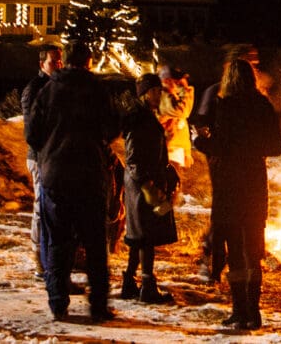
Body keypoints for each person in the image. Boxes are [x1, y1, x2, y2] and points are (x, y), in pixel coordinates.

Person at [25, 39, 121, 323]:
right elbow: (113, 127)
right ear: (89, 62)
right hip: (89, 176)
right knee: (94, 243)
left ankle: (57, 302)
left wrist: (49, 150)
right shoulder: (98, 91)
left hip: (55, 176)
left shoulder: (48, 91)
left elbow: (32, 134)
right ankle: (98, 305)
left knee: (57, 240)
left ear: (64, 61)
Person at [193, 57, 281, 330]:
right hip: (255, 186)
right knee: (253, 251)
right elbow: (276, 147)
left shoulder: (227, 106)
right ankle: (252, 312)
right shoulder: (263, 106)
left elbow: (219, 146)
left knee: (235, 252)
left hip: (230, 186)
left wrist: (201, 141)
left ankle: (239, 309)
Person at [119, 73, 179, 304]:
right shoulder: (138, 119)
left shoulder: (145, 116)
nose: (159, 94)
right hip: (142, 187)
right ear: (145, 93)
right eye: (155, 90)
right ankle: (147, 287)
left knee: (138, 237)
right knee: (145, 238)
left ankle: (129, 283)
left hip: (144, 184)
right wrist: (148, 186)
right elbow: (134, 158)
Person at [20, 43, 63, 279]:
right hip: (40, 158)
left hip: (54, 157)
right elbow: (32, 131)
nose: (58, 65)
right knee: (41, 208)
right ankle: (38, 258)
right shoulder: (35, 89)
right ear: (41, 64)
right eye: (53, 61)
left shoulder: (57, 87)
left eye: (60, 61)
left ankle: (51, 258)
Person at [157, 64, 195, 170]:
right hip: (169, 153)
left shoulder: (171, 97)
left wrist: (186, 151)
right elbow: (183, 111)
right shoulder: (163, 97)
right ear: (167, 80)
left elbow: (181, 126)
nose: (181, 83)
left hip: (176, 152)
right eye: (178, 81)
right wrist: (186, 90)